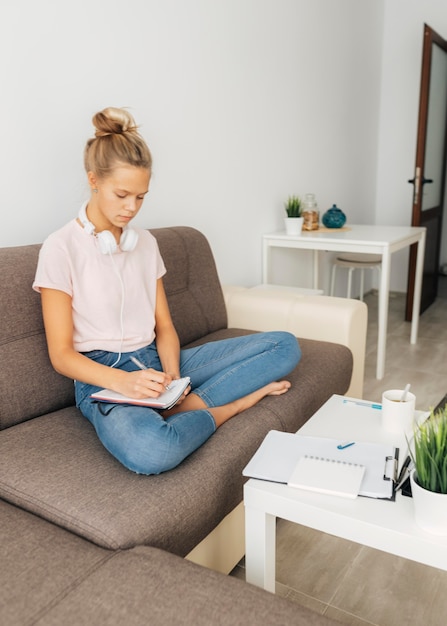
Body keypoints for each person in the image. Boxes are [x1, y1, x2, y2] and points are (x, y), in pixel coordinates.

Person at [33, 106, 301, 475]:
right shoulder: (60, 248)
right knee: (151, 450)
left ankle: (178, 406)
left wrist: (174, 379)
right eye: (122, 194)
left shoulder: (144, 243)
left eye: (141, 197)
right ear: (94, 180)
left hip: (158, 363)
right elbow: (61, 355)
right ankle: (230, 407)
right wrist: (125, 382)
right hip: (103, 374)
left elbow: (165, 327)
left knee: (284, 345)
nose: (132, 208)